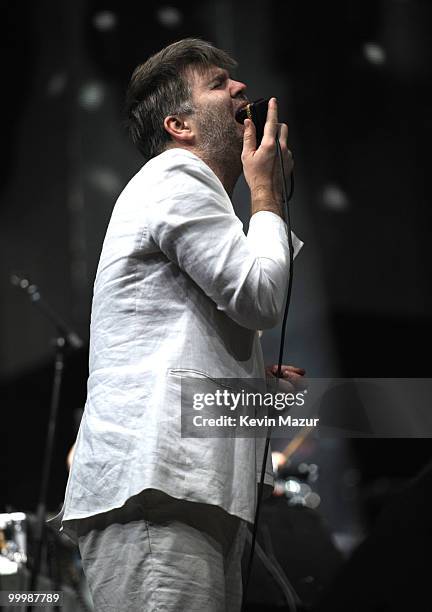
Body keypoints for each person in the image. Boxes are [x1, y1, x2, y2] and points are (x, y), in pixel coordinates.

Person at [55, 38, 304, 611]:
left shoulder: (193, 197)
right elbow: (261, 297)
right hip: (159, 491)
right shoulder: (175, 175)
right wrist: (266, 191)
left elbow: (191, 332)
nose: (240, 88)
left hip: (187, 491)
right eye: (218, 84)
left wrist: (250, 385)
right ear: (179, 125)